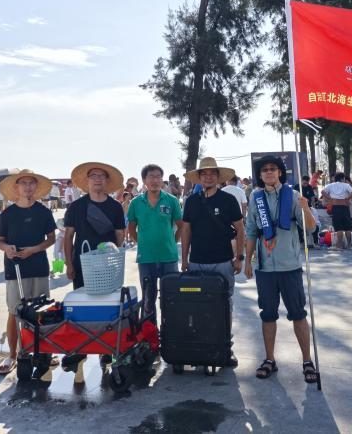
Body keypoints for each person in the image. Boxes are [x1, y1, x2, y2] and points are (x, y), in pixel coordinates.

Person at [245, 155, 318, 384]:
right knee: (268, 314)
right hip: (265, 268)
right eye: (264, 169)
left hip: (290, 266)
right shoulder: (255, 197)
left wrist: (306, 208)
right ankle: (269, 359)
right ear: (260, 175)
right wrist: (247, 260)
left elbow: (310, 228)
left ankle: (307, 361)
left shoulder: (294, 196)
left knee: (298, 313)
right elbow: (251, 230)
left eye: (273, 169)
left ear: (280, 172)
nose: (269, 172)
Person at [181, 157, 244, 367]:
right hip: (197, 262)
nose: (208, 177)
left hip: (223, 261)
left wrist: (239, 257)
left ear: (218, 177)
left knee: (225, 305)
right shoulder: (191, 201)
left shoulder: (228, 200)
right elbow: (186, 230)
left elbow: (240, 229)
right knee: (197, 305)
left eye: (212, 173)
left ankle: (225, 347)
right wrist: (184, 259)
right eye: (204, 174)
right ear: (199, 178)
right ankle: (201, 347)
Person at [0, 169, 56, 376]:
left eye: (31, 183)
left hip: (38, 266)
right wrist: (7, 249)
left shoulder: (44, 212)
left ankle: (43, 352)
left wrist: (35, 249)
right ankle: (13, 354)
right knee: (15, 311)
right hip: (15, 268)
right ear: (17, 187)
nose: (28, 187)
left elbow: (51, 238)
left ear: (36, 187)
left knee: (41, 311)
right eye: (24, 183)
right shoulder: (7, 214)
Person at [127, 164, 184, 323]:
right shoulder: (135, 203)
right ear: (144, 180)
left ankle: (169, 332)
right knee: (148, 300)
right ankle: (150, 334)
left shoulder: (172, 201)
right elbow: (131, 227)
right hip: (146, 258)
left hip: (169, 257)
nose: (155, 180)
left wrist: (173, 241)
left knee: (170, 298)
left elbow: (181, 225)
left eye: (158, 177)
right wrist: (141, 242)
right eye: (151, 177)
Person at [63, 162, 126, 290]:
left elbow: (120, 234)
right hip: (82, 264)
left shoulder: (116, 206)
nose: (98, 179)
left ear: (107, 180)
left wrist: (116, 259)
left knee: (109, 299)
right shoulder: (76, 206)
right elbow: (68, 236)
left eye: (102, 175)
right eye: (93, 175)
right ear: (87, 180)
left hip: (108, 263)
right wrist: (69, 264)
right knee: (83, 300)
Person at [322, 173, 352, 250]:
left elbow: (323, 192)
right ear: (342, 178)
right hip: (345, 206)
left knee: (338, 227)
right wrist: (347, 198)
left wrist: (330, 198)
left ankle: (339, 245)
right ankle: (349, 245)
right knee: (347, 227)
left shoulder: (330, 185)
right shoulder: (346, 185)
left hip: (335, 207)